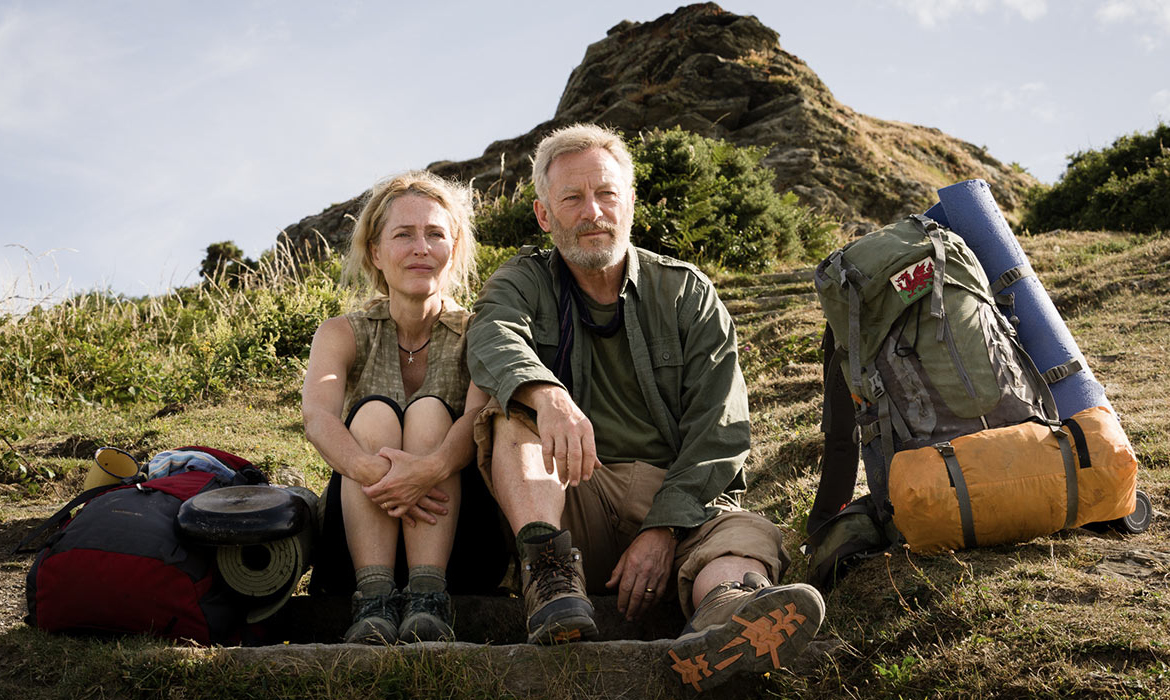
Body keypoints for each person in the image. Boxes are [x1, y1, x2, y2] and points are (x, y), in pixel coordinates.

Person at [467, 123, 825, 692]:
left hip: (678, 502)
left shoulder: (685, 293)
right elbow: (488, 335)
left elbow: (720, 430)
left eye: (607, 194)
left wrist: (661, 529)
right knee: (509, 419)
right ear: (544, 215)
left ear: (630, 203)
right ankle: (552, 579)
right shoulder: (525, 279)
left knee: (740, 540)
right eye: (572, 199)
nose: (593, 212)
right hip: (572, 496)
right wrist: (548, 394)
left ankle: (723, 620)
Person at [302, 171, 493, 644]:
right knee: (373, 415)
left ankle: (429, 598)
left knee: (431, 414)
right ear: (376, 252)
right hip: (360, 539)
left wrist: (427, 470)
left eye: (435, 234)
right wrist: (375, 472)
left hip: (459, 541)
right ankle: (373, 601)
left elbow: (474, 419)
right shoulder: (342, 332)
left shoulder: (479, 332)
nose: (420, 248)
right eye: (403, 234)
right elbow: (318, 417)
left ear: (453, 247)